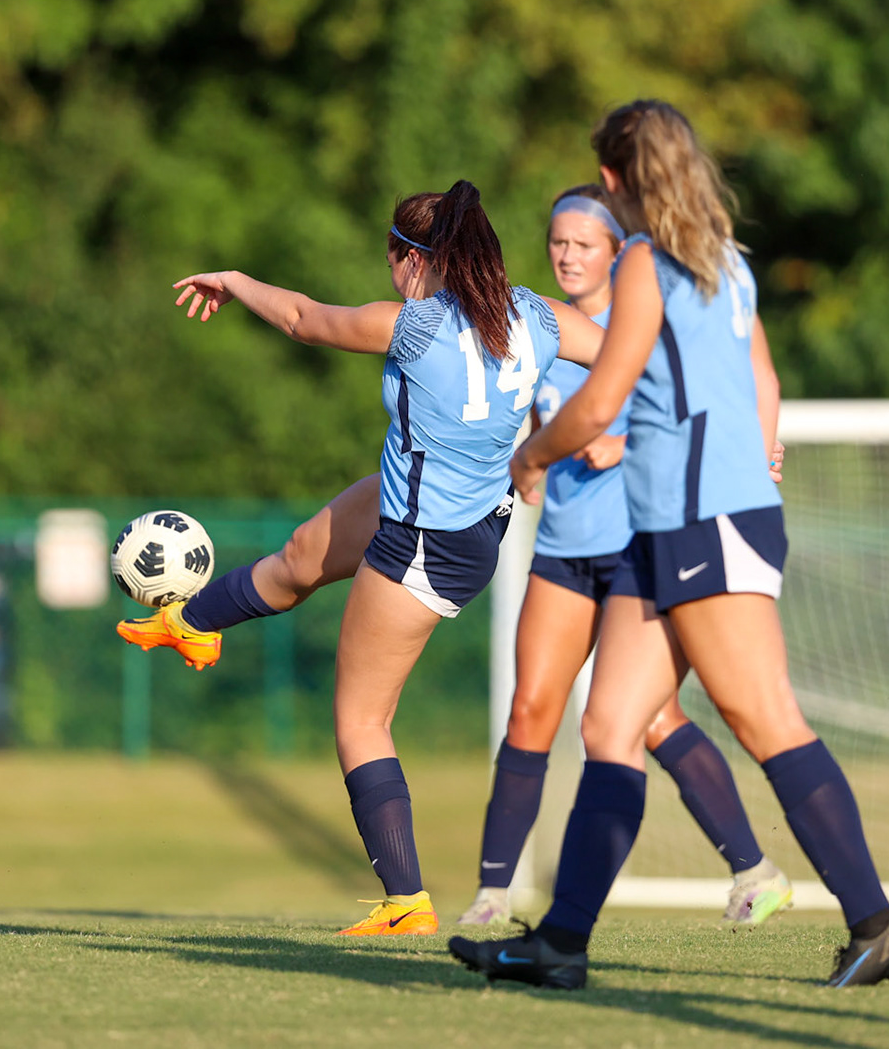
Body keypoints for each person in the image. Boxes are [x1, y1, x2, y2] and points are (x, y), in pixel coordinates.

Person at [450, 99, 889, 991]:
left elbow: (597, 399)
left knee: (765, 718)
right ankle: (561, 944)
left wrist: (529, 455)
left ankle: (875, 925)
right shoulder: (725, 264)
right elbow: (756, 380)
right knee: (612, 726)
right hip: (674, 528)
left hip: (704, 523)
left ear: (618, 180)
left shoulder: (647, 264)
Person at [141, 180, 600, 936]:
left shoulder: (411, 327)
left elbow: (298, 317)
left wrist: (232, 281)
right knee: (300, 558)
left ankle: (406, 903)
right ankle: (192, 620)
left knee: (361, 718)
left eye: (391, 257)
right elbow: (626, 359)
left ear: (410, 258)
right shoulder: (539, 315)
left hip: (428, 541)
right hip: (451, 519)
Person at [458, 186, 792, 929]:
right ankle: (492, 895)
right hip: (565, 549)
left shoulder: (651, 315)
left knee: (647, 719)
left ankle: (753, 866)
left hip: (642, 546)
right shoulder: (540, 325)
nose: (568, 254)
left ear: (617, 250)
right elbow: (530, 417)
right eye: (557, 241)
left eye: (584, 242)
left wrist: (634, 442)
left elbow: (715, 399)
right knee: (530, 710)